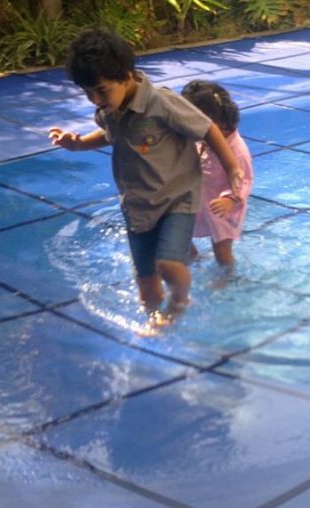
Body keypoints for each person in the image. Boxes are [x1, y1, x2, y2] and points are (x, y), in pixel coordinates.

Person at [48, 28, 244, 325]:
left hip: (177, 197)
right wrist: (78, 144)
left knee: (168, 263)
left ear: (127, 76)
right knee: (145, 280)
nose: (95, 99)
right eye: (88, 93)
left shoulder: (160, 102)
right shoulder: (109, 109)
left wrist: (231, 168)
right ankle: (154, 315)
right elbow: (110, 134)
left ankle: (179, 302)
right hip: (138, 204)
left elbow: (206, 128)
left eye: (101, 90)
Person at [181, 80, 253, 271]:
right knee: (180, 234)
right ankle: (191, 256)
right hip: (202, 200)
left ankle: (227, 275)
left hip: (223, 209)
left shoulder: (237, 150)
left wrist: (231, 199)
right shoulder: (204, 139)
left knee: (221, 248)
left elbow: (244, 180)